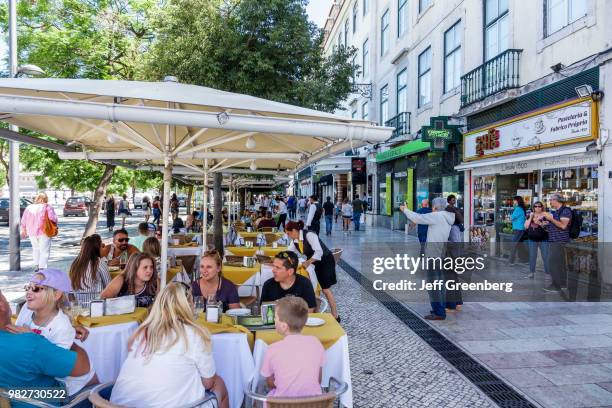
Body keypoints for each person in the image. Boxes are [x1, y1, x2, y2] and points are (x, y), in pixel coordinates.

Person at [110, 283, 229, 408]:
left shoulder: (142, 332)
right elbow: (209, 383)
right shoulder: (194, 334)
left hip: (117, 405)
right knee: (219, 384)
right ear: (187, 305)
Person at [12, 269, 98, 396]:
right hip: (38, 374)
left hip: (69, 386)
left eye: (36, 288)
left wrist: (30, 338)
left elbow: (55, 366)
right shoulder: (26, 309)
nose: (29, 292)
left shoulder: (62, 327)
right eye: (28, 287)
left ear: (56, 294)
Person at [0, 289, 93, 405]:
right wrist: (69, 336)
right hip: (47, 399)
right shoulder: (29, 344)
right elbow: (83, 367)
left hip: (11, 398)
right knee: (95, 385)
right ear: (1, 305)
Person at [400, 197, 455, 320]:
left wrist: (405, 210)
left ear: (435, 207)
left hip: (433, 254)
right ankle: (440, 307)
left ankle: (439, 312)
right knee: (439, 282)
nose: (431, 209)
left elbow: (418, 218)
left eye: (432, 207)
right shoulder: (447, 216)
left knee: (433, 284)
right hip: (441, 253)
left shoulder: (437, 216)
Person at [261, 296, 325, 398]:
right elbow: (318, 379)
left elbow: (270, 384)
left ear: (284, 326)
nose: (274, 319)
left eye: (275, 317)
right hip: (314, 403)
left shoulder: (272, 349)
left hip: (281, 404)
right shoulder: (316, 343)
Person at [285, 221, 339, 320]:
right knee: (315, 288)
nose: (288, 236)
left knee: (325, 289)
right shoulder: (295, 241)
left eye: (288, 233)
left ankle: (335, 315)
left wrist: (308, 262)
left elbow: (319, 252)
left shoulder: (309, 235)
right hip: (314, 263)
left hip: (325, 261)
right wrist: (277, 258)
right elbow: (288, 253)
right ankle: (316, 312)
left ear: (293, 231)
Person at [542, 192, 572, 293]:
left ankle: (556, 285)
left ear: (556, 200)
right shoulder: (556, 212)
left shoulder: (565, 211)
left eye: (551, 200)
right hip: (555, 240)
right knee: (560, 263)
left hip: (559, 241)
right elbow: (553, 227)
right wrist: (544, 224)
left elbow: (563, 226)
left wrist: (551, 219)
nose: (550, 201)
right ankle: (562, 284)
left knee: (552, 263)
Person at [20, 192, 58, 271]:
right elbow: (52, 218)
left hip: (31, 232)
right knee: (44, 250)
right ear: (45, 199)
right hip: (44, 231)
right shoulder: (48, 207)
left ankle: (36, 265)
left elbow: (23, 220)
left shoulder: (29, 207)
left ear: (37, 199)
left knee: (35, 248)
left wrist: (23, 230)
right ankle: (42, 267)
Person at [70, 234, 111, 302]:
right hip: (96, 306)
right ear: (97, 248)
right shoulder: (99, 263)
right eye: (102, 246)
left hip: (78, 305)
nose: (104, 248)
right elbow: (109, 287)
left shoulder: (75, 263)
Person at [445, 195, 465, 312]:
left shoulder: (451, 228)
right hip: (454, 255)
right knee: (454, 278)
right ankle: (457, 303)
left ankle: (450, 305)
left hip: (450, 255)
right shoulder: (456, 226)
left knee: (450, 278)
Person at [524, 201, 549, 279]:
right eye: (535, 206)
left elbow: (548, 229)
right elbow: (526, 226)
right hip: (532, 239)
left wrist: (539, 223)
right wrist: (531, 217)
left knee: (545, 256)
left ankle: (548, 273)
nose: (537, 208)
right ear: (533, 207)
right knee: (532, 256)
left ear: (542, 207)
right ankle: (532, 273)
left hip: (543, 239)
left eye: (539, 206)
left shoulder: (546, 215)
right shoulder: (530, 215)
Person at [508, 195, 527, 264]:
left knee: (514, 244)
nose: (513, 201)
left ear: (517, 201)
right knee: (519, 244)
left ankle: (511, 261)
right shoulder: (521, 208)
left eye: (514, 200)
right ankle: (524, 260)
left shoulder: (518, 208)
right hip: (521, 228)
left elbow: (511, 218)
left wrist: (511, 217)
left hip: (518, 229)